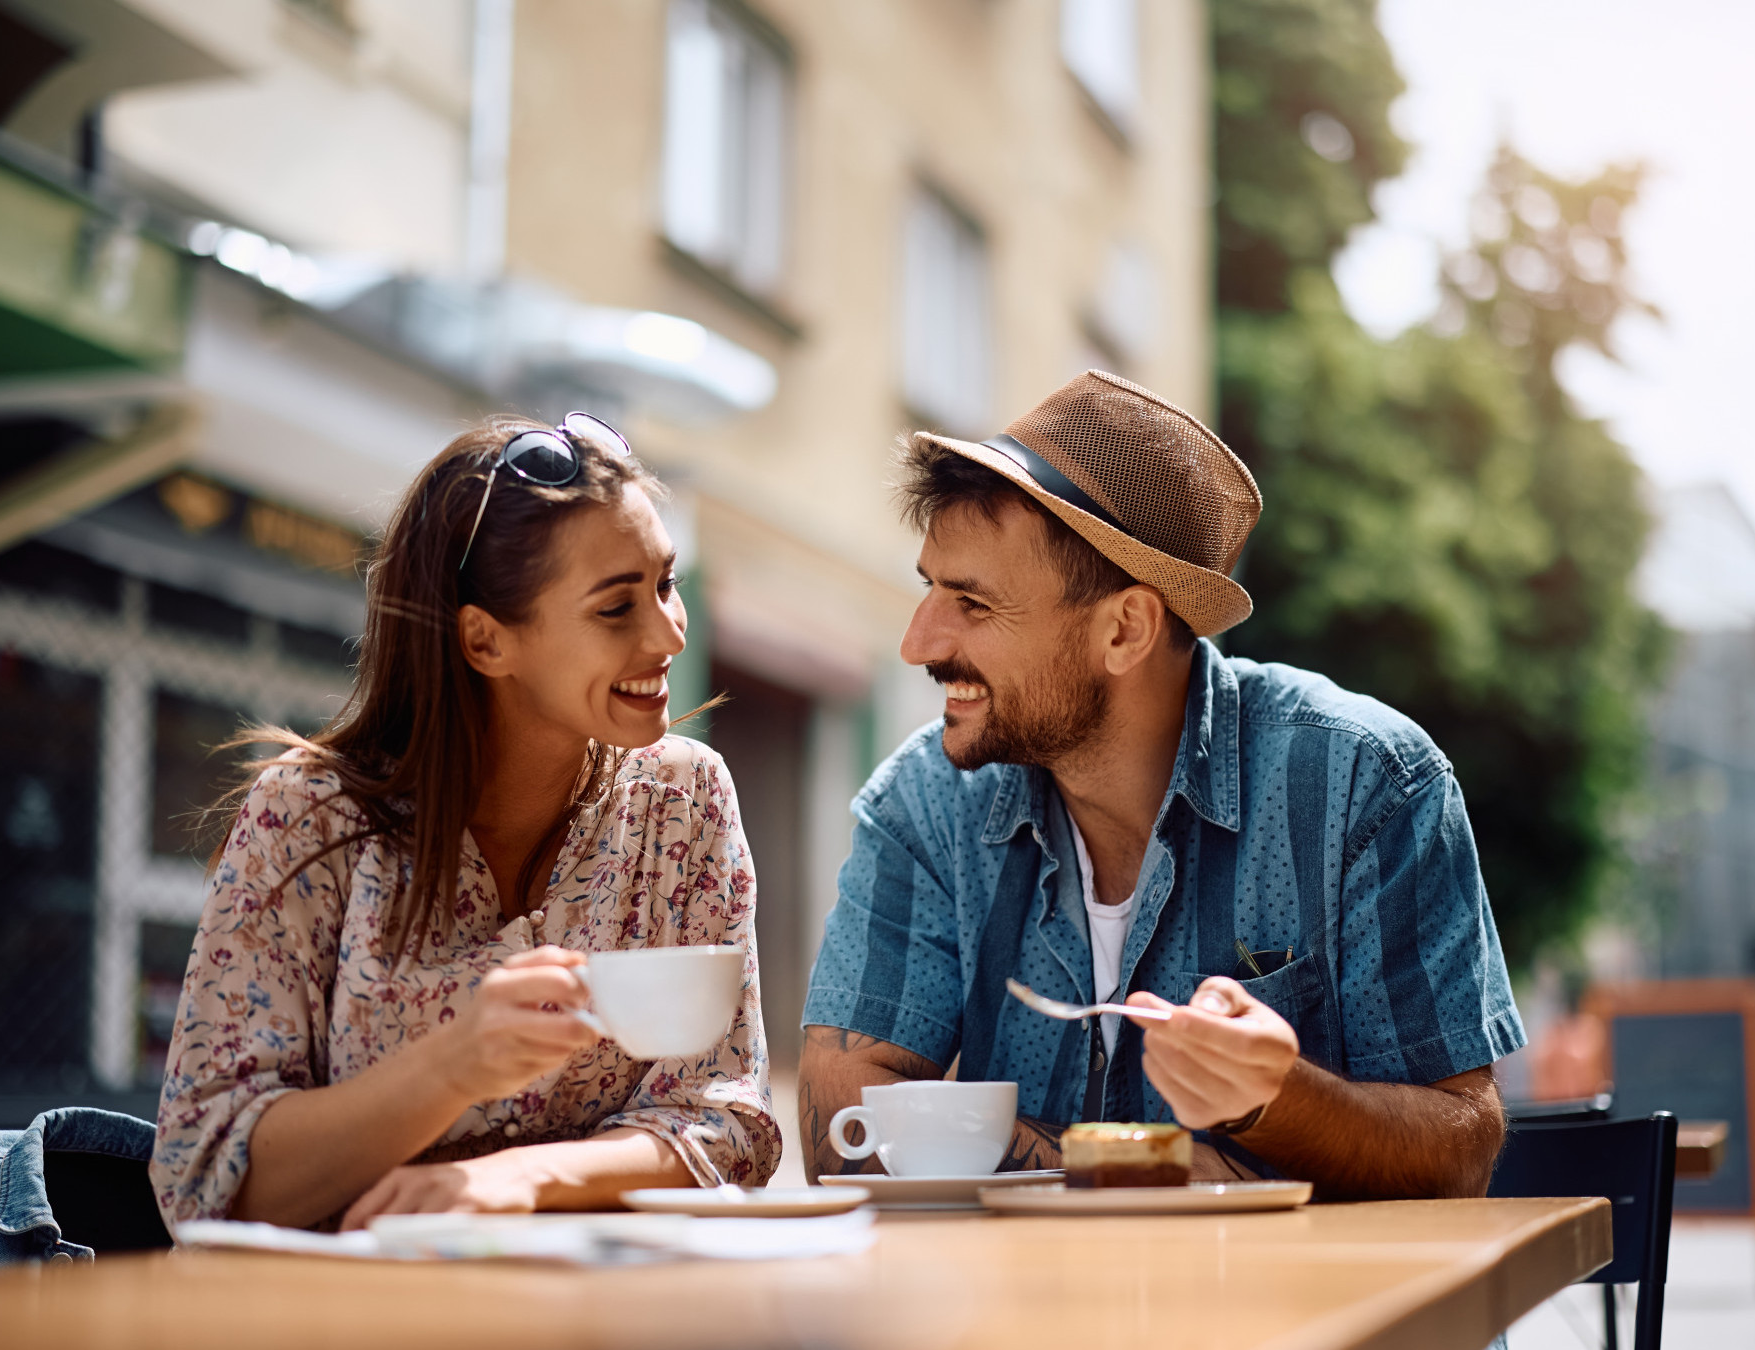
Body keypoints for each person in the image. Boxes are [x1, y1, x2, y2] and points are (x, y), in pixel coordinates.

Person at [799, 371, 1521, 1199]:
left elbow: (1462, 1147)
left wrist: (1278, 1101)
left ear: (1125, 629)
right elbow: (839, 1120)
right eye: (930, 588)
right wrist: (1149, 1169)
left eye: (972, 603)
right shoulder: (923, 806)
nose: (919, 643)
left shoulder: (1366, 783)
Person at [152, 415, 777, 1234]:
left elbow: (729, 1123)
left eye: (666, 583)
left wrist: (523, 1177)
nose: (667, 632)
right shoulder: (305, 817)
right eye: (617, 607)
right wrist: (451, 1067)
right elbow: (206, 1180)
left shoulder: (685, 799)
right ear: (486, 641)